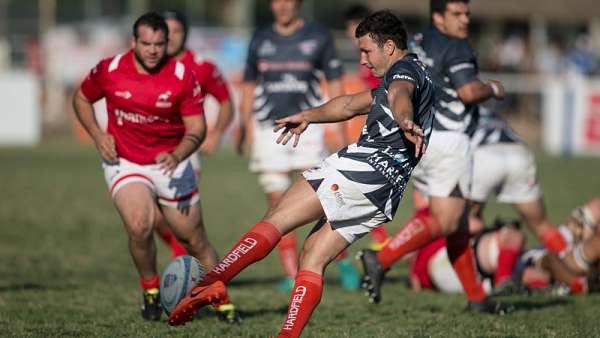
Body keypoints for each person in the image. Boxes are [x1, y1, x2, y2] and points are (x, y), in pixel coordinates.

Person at [168, 11, 434, 336]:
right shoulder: (416, 71)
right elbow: (350, 104)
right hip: (383, 193)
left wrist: (405, 120)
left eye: (366, 51)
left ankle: (212, 283)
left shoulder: (403, 73)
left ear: (390, 46)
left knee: (277, 218)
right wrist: (309, 115)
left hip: (361, 169)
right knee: (312, 259)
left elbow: (400, 97)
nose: (362, 60)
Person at [358, 0, 512, 314]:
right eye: (456, 13)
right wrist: (493, 89)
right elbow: (468, 92)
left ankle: (477, 298)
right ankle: (381, 259)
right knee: (447, 219)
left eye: (467, 13)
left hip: (421, 136)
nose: (465, 19)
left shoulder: (416, 42)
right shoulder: (457, 46)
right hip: (449, 141)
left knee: (455, 226)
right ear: (438, 16)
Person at [72, 12, 227, 321]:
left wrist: (179, 153)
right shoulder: (110, 70)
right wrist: (98, 134)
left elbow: (196, 128)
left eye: (159, 44)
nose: (153, 50)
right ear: (134, 42)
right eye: (146, 44)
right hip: (125, 161)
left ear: (167, 43)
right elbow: (81, 98)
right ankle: (151, 291)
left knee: (194, 239)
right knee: (140, 224)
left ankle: (222, 300)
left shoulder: (183, 76)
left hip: (172, 162)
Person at [237, 0, 355, 292]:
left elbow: (335, 81)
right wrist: (243, 124)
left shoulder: (318, 35)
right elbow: (249, 84)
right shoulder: (260, 37)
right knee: (278, 206)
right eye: (278, 0)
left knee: (322, 200)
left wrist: (337, 127)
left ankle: (342, 258)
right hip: (270, 130)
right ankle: (292, 273)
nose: (283, 6)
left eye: (289, 0)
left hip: (309, 128)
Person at [150, 10, 235, 261]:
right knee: (151, 218)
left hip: (185, 151)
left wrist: (216, 133)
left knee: (180, 219)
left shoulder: (202, 67)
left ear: (185, 34)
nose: (171, 37)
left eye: (176, 31)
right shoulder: (149, 64)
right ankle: (192, 257)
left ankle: (188, 269)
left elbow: (226, 101)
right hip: (148, 150)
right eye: (166, 31)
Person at [343, 4, 391, 251]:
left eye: (354, 27)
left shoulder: (378, 55)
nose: (351, 33)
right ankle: (383, 241)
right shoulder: (366, 56)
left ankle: (387, 244)